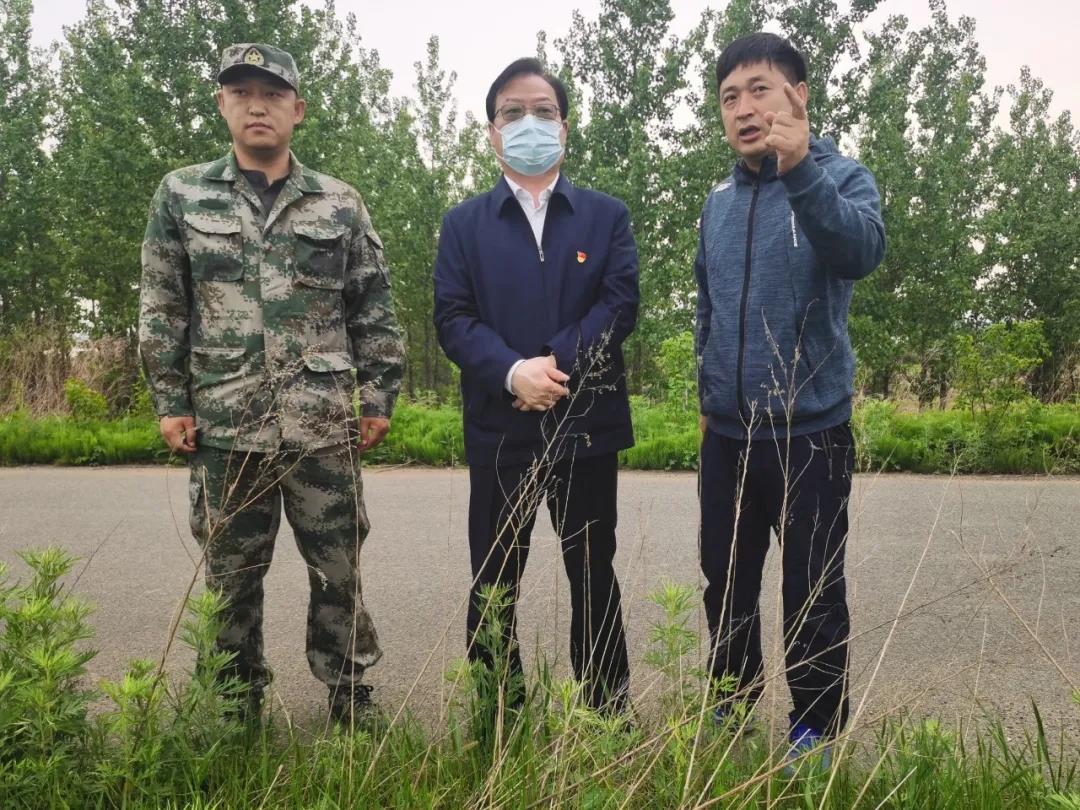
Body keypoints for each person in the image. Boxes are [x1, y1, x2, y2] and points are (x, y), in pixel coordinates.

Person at [138, 43, 404, 725]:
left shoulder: (339, 202)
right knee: (230, 577)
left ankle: (350, 692)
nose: (258, 106)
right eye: (242, 93)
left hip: (323, 424)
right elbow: (163, 306)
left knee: (338, 569)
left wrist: (377, 397)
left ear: (298, 109)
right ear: (222, 103)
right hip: (225, 422)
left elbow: (372, 306)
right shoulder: (182, 194)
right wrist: (170, 401)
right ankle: (235, 703)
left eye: (273, 94)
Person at [694, 32, 885, 766]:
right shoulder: (718, 201)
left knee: (812, 590)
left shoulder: (841, 177)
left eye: (759, 90)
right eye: (729, 97)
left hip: (811, 433)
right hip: (728, 435)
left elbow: (861, 252)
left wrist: (800, 169)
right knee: (726, 583)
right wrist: (709, 393)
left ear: (798, 95)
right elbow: (708, 303)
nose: (744, 109)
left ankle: (815, 732)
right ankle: (731, 706)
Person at [433, 58, 639, 714]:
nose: (529, 123)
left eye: (544, 111)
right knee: (495, 577)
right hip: (501, 426)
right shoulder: (464, 225)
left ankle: (606, 715)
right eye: (513, 113)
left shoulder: (605, 217)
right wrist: (512, 372)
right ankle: (499, 717)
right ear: (492, 132)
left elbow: (619, 304)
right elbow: (453, 318)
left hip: (586, 426)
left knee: (593, 572)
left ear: (565, 128)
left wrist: (552, 364)